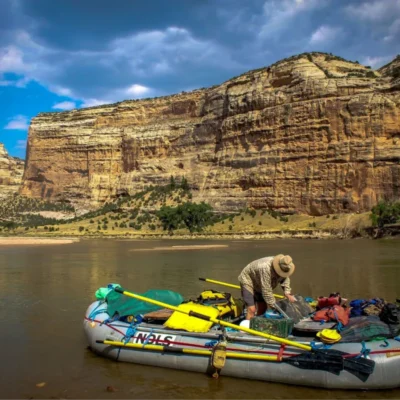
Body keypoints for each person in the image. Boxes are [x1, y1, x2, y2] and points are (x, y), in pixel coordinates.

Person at [238, 254, 297, 320]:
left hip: (260, 282)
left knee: (263, 308)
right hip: (248, 280)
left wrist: (287, 293)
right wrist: (277, 308)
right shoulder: (265, 268)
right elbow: (266, 291)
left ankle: (257, 323)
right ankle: (247, 328)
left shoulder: (286, 266)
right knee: (252, 309)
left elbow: (285, 278)